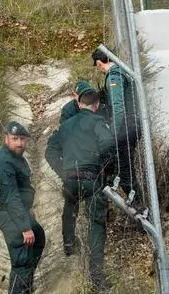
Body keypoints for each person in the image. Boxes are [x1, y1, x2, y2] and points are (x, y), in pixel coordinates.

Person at [45, 81, 114, 293]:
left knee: (70, 203)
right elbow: (109, 145)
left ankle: (68, 244)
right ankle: (96, 278)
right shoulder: (97, 121)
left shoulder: (66, 125)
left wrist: (62, 171)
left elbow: (50, 151)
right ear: (94, 105)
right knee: (96, 224)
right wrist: (105, 170)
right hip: (91, 178)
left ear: (79, 102)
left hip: (71, 177)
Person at [0, 121, 46, 294]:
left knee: (38, 237)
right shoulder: (4, 163)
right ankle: (19, 288)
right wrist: (24, 227)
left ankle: (25, 286)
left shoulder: (16, 157)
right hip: (7, 213)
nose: (20, 143)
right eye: (15, 139)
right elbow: (11, 197)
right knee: (22, 259)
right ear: (7, 139)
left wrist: (27, 211)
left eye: (22, 139)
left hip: (17, 211)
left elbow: (22, 190)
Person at [93, 47, 141, 200]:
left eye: (98, 66)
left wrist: (111, 134)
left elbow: (119, 109)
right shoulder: (123, 72)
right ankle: (135, 204)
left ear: (99, 63)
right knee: (119, 167)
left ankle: (140, 207)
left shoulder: (114, 77)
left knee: (125, 171)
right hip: (129, 126)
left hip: (125, 128)